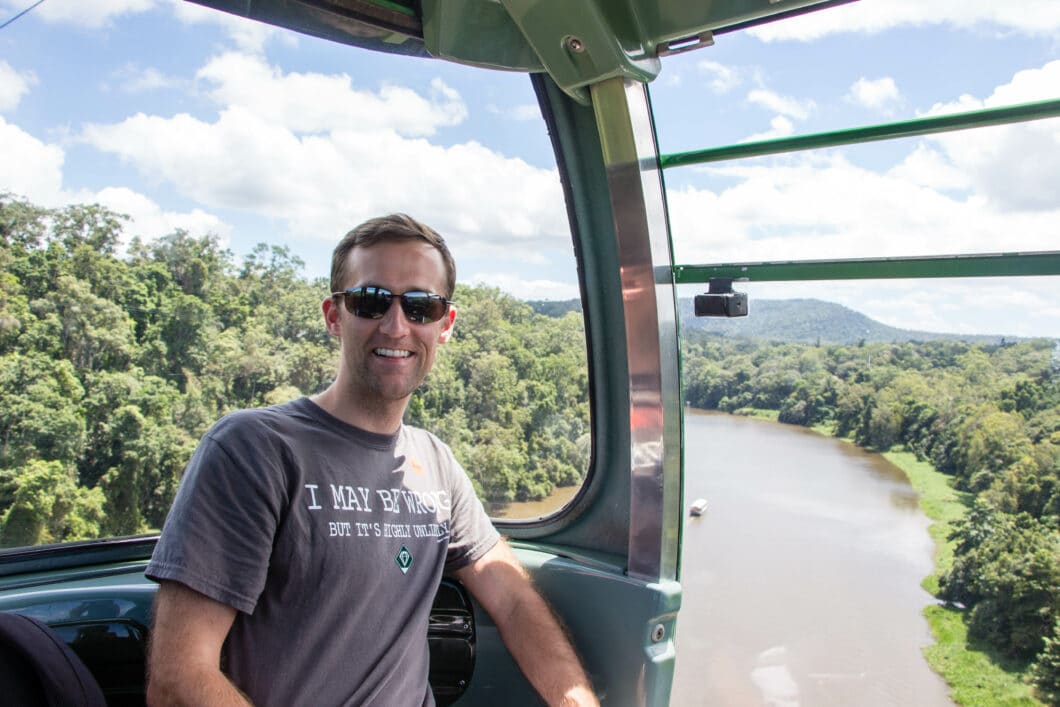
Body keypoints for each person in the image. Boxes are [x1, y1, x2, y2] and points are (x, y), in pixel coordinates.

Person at [145, 214, 598, 706]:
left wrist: (576, 701)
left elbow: (512, 600)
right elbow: (178, 677)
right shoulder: (254, 449)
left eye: (421, 306)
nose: (396, 325)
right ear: (334, 315)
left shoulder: (437, 464)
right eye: (371, 301)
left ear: (444, 325)